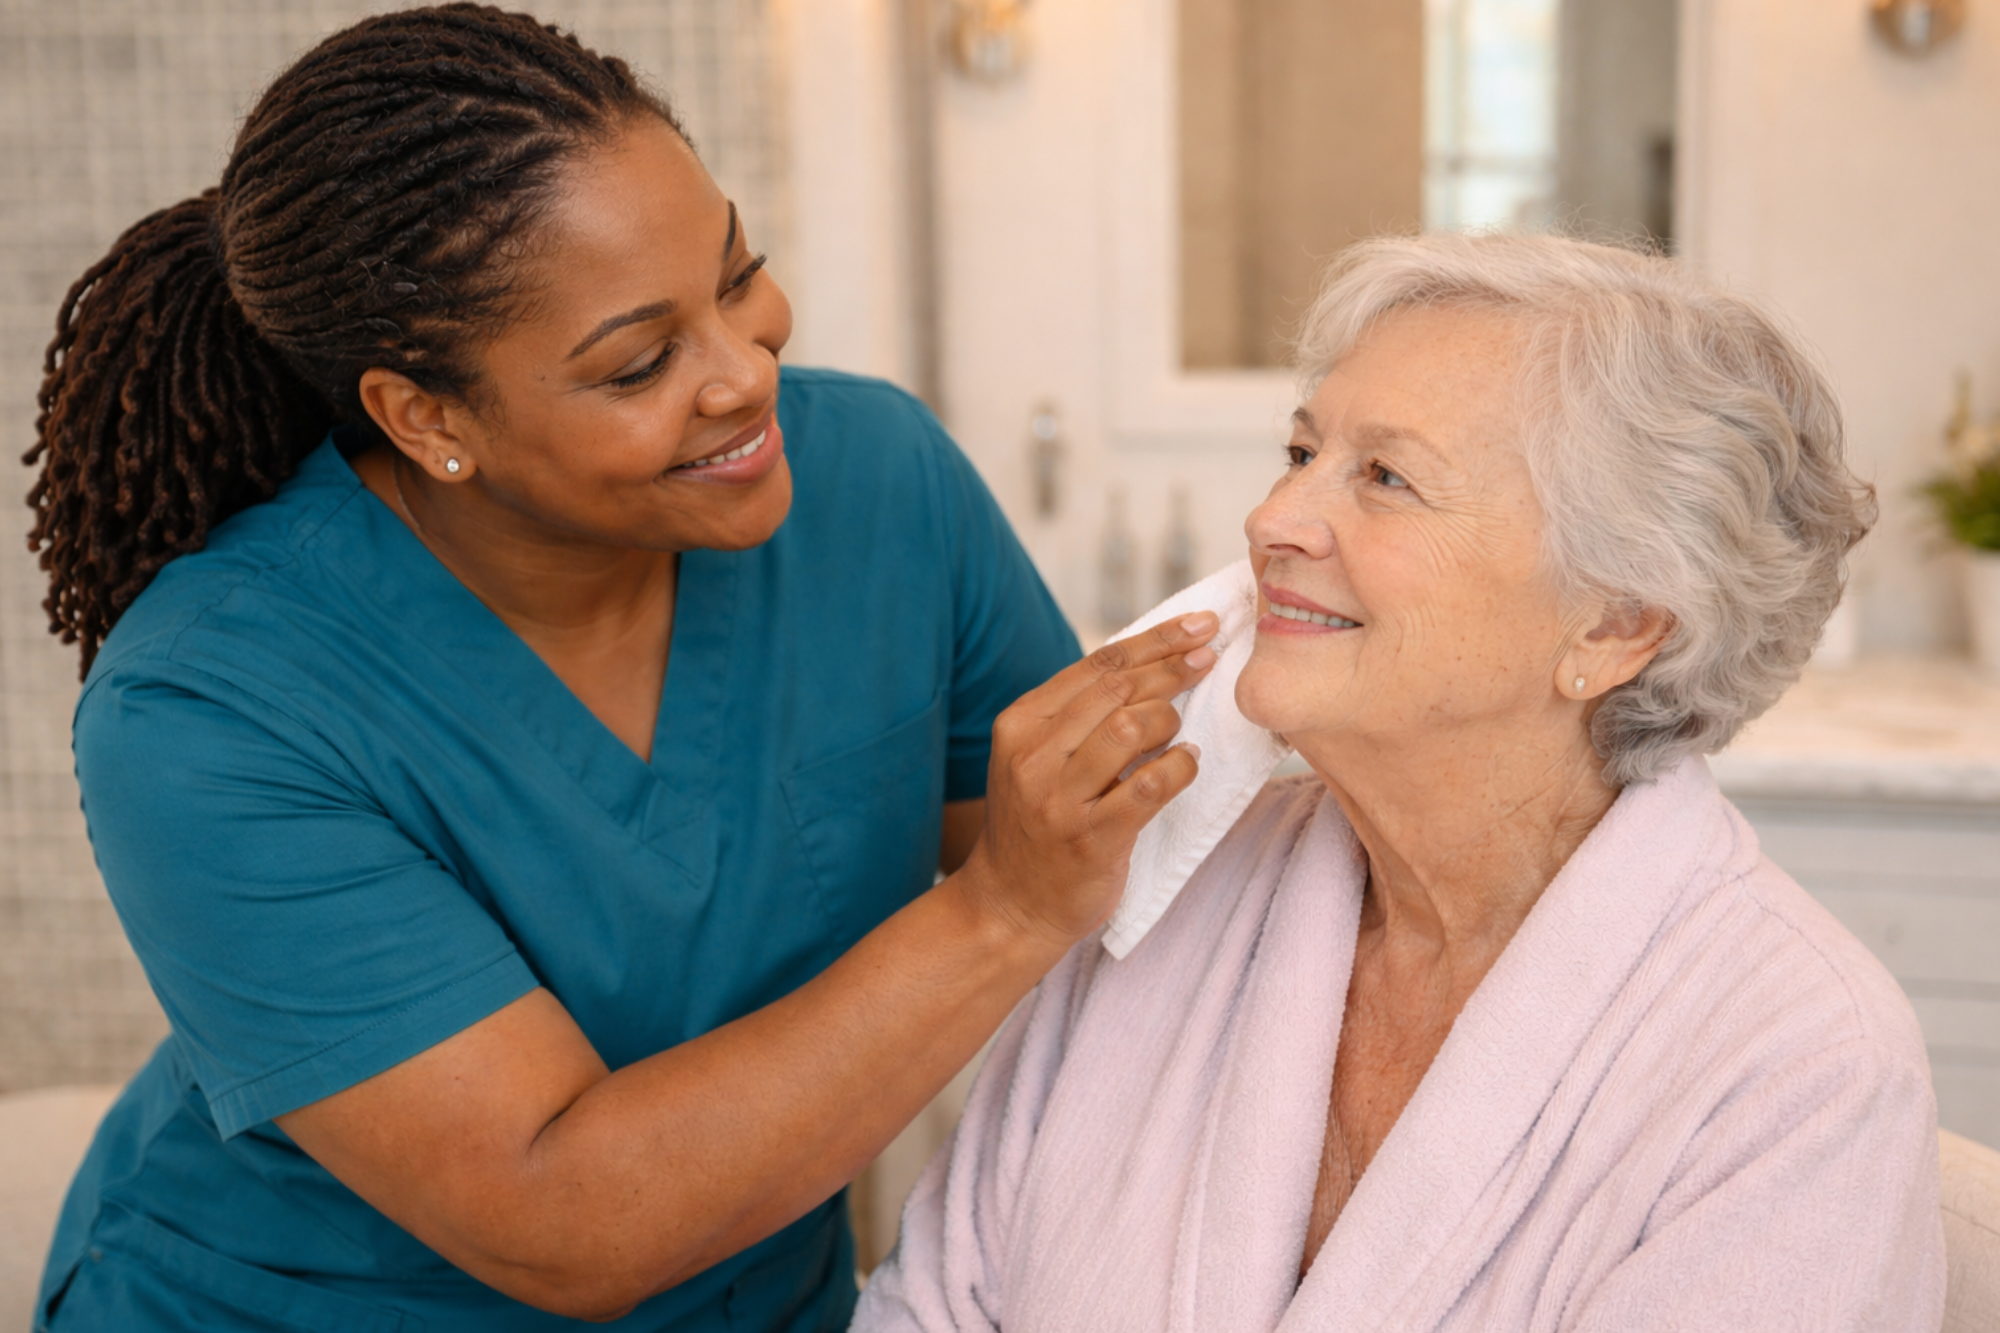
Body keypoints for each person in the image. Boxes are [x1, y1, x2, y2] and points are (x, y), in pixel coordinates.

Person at [23, 7, 1218, 1330]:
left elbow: (1129, 884)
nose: (745, 374)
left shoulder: (879, 484)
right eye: (640, 363)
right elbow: (560, 1220)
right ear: (427, 417)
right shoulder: (212, 705)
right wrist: (997, 911)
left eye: (738, 276)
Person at [854, 233, 1947, 1332]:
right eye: (1300, 452)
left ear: (1616, 625)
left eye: (1385, 477)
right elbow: (932, 1305)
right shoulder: (1167, 889)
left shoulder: (1800, 1069)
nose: (1272, 520)